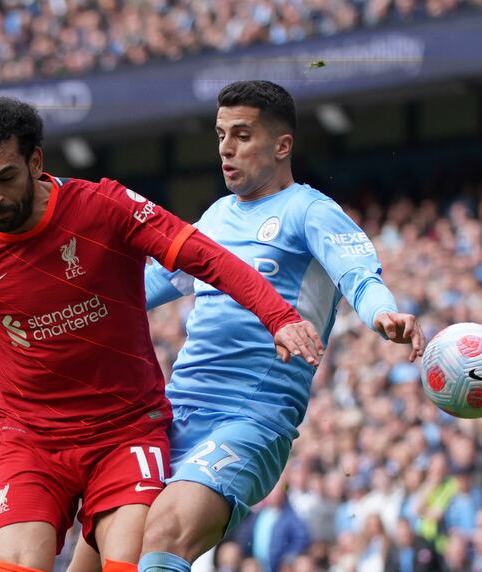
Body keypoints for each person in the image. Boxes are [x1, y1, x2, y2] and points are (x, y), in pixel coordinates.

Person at [0, 95, 324, 572]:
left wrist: (278, 316)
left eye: (4, 178)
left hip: (126, 431)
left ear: (35, 160)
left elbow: (204, 256)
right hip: (32, 440)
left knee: (131, 561)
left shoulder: (103, 208)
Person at [133, 80, 424, 572]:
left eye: (242, 135)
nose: (226, 148)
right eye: (221, 134)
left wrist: (382, 314)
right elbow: (140, 290)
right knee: (104, 545)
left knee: (163, 535)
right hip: (176, 411)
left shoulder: (310, 211)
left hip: (250, 417)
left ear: (281, 145)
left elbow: (358, 275)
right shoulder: (215, 217)